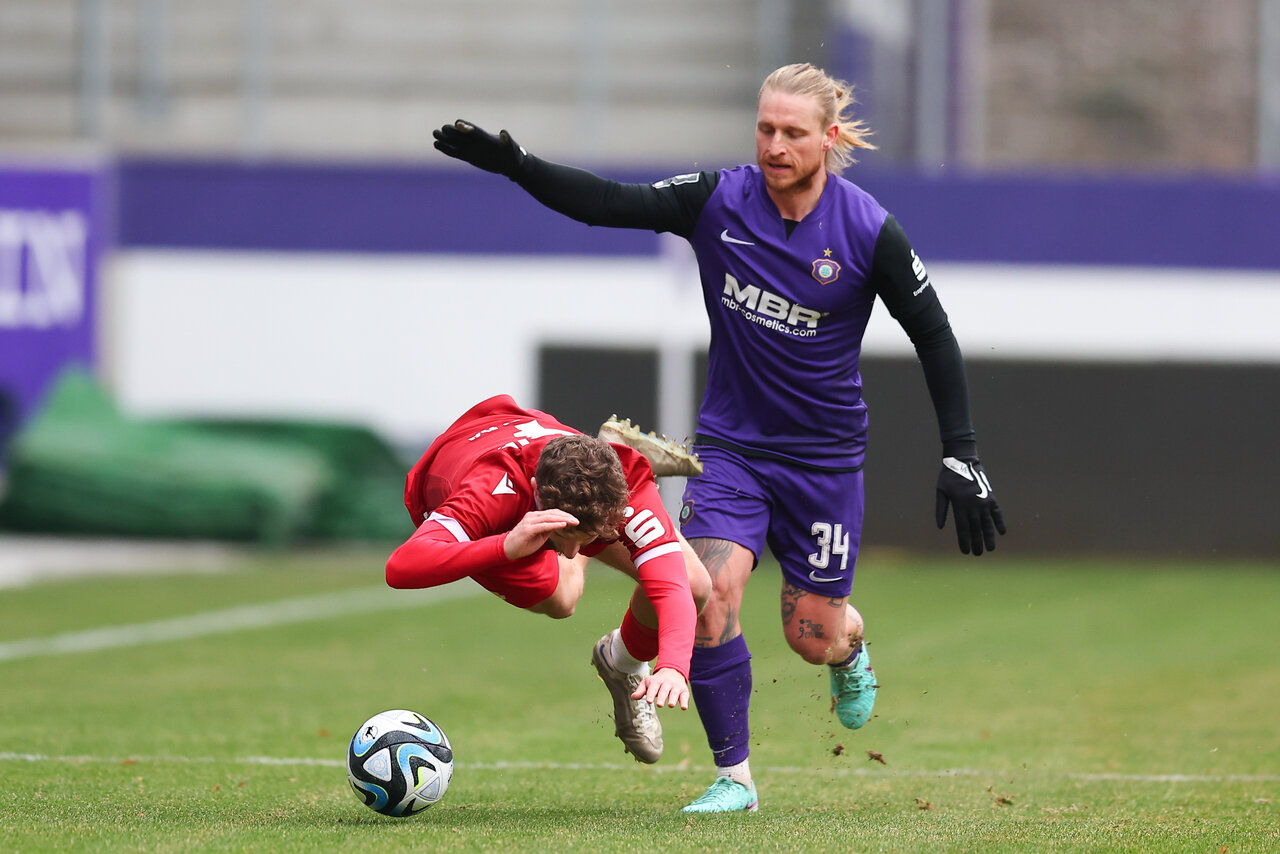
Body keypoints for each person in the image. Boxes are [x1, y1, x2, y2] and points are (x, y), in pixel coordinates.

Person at [433, 61, 1006, 813]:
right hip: (732, 449)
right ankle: (734, 778)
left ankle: (849, 647)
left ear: (829, 138)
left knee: (812, 636)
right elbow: (607, 203)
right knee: (709, 593)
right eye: (765, 128)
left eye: (792, 132)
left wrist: (961, 451)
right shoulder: (718, 200)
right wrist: (518, 165)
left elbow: (934, 334)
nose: (774, 145)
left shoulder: (868, 230)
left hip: (826, 461)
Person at [386, 394, 711, 764]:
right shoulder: (491, 490)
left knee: (695, 585)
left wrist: (672, 666)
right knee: (562, 598)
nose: (571, 554)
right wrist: (503, 546)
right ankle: (567, 529)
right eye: (562, 538)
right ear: (537, 494)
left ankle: (623, 663)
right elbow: (401, 567)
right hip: (479, 483)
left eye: (586, 540)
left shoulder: (627, 481)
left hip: (554, 446)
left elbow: (671, 586)